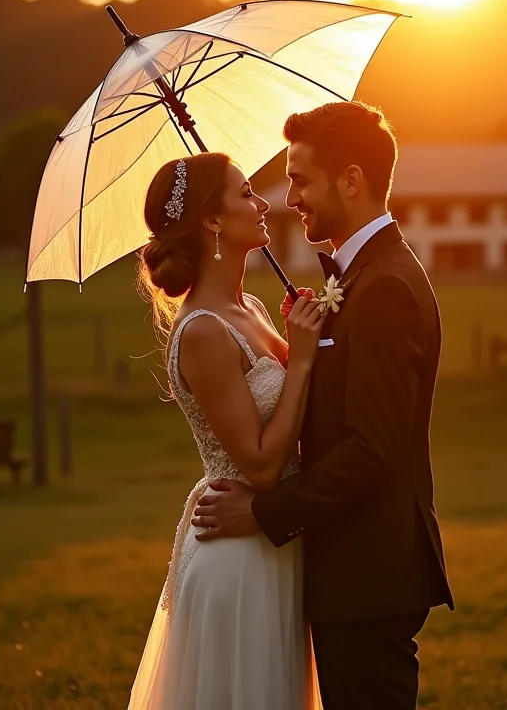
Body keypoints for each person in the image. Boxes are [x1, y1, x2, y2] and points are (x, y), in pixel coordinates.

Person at [192, 101, 455, 710]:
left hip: (370, 572)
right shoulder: (362, 276)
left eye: (301, 179)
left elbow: (373, 450)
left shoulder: (383, 286)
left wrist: (264, 512)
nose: (292, 196)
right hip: (354, 570)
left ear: (353, 180)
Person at [127, 151, 324, 709]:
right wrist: (302, 360)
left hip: (279, 544)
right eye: (245, 194)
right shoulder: (204, 332)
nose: (263, 204)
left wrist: (298, 337)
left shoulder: (255, 309)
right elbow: (261, 465)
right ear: (212, 221)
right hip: (239, 559)